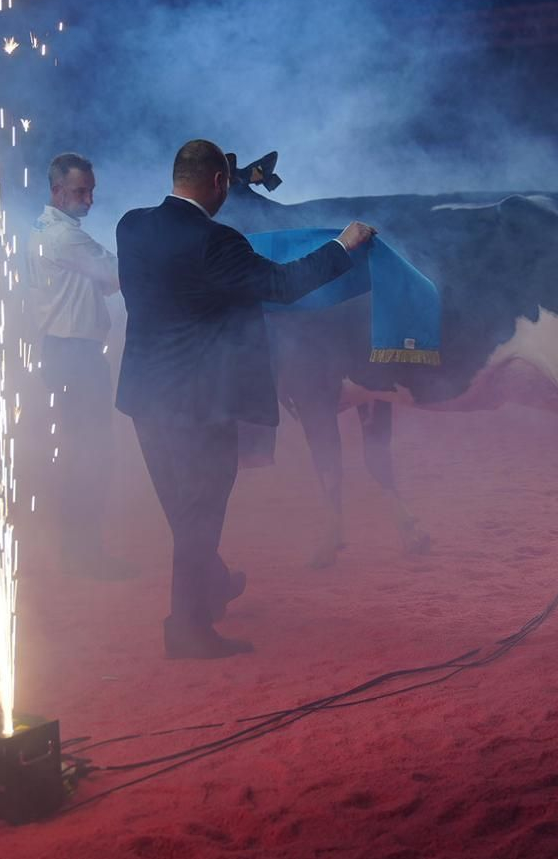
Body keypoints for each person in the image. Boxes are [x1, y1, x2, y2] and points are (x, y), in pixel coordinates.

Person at [115, 139, 376, 659]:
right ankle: (186, 629)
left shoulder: (130, 226)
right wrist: (343, 247)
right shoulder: (218, 242)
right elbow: (281, 284)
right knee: (199, 517)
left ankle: (211, 587)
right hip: (199, 403)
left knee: (180, 510)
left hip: (146, 396)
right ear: (218, 184)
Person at [26, 152, 132, 579]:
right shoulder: (66, 238)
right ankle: (85, 555)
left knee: (78, 454)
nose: (88, 199)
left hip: (61, 352)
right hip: (75, 357)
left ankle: (77, 552)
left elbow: (101, 283)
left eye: (90, 191)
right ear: (56, 191)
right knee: (92, 454)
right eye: (79, 191)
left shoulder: (43, 230)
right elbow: (120, 276)